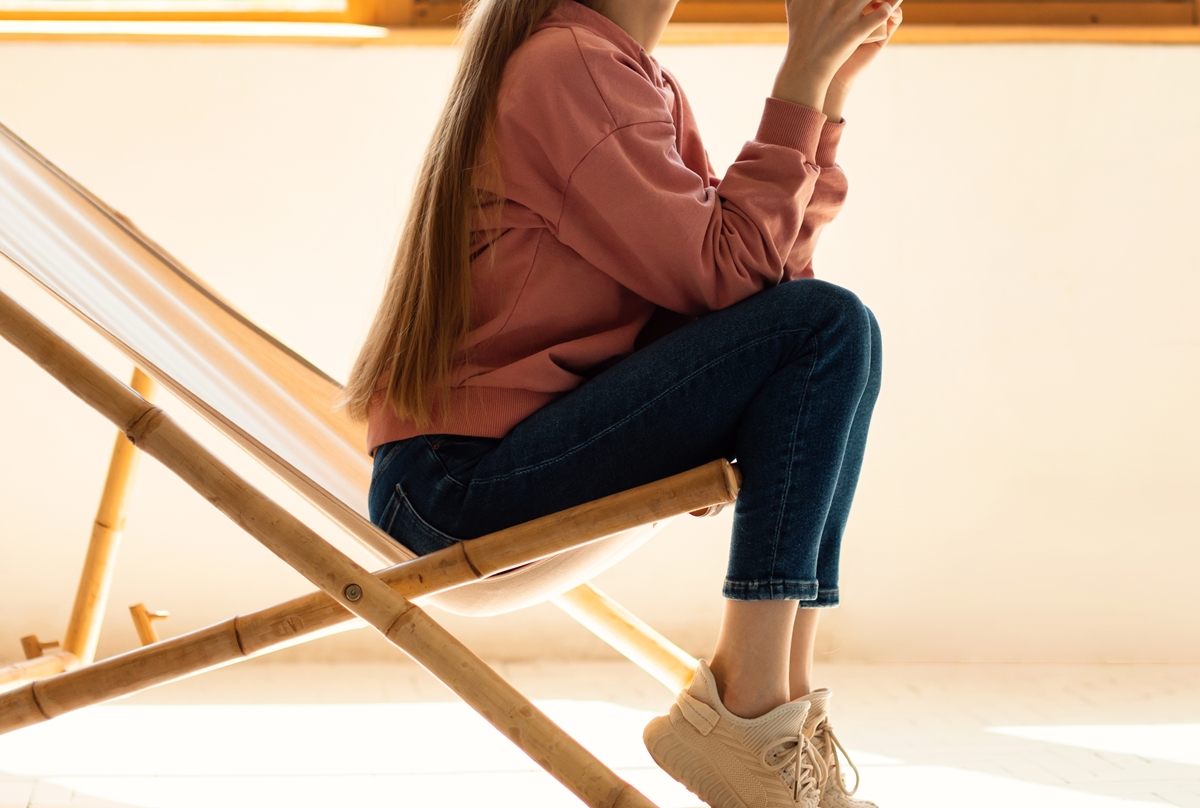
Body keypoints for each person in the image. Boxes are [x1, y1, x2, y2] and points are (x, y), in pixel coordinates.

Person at [343, 0, 899, 804]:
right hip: (457, 486)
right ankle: (744, 708)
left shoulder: (619, 70)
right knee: (829, 326)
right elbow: (734, 280)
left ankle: (780, 711)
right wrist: (800, 75)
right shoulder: (569, 65)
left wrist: (827, 90)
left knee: (844, 333)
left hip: (495, 464)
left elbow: (760, 290)